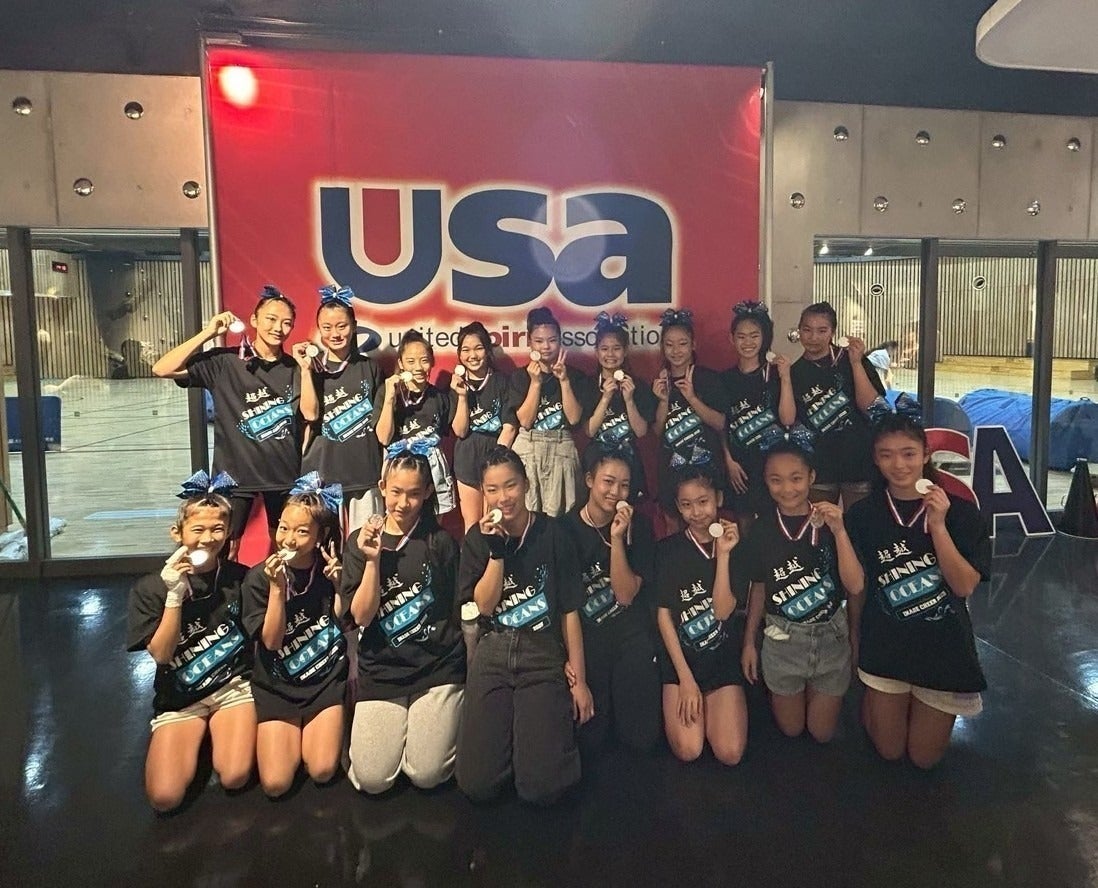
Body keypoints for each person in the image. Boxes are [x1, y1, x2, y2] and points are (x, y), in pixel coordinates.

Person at [846, 406, 990, 769]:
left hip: (943, 649)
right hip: (885, 644)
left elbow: (963, 585)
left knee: (924, 759)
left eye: (908, 453)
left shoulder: (961, 513)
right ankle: (878, 702)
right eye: (886, 455)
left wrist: (938, 526)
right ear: (875, 460)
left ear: (926, 455)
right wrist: (855, 636)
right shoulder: (862, 515)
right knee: (889, 750)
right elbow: (858, 587)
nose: (899, 465)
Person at [455, 446, 592, 804]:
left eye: (511, 485)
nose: (503, 497)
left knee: (543, 788)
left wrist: (580, 680)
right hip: (493, 648)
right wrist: (496, 552)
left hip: (542, 650)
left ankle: (534, 746)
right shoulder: (476, 540)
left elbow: (570, 611)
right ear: (483, 493)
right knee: (476, 784)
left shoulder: (554, 534)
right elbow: (484, 606)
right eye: (492, 489)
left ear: (527, 484)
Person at [151, 286, 318, 556]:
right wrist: (209, 333)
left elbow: (310, 414)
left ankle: (278, 585)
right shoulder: (225, 362)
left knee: (287, 549)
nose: (278, 328)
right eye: (271, 319)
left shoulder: (294, 367)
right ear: (254, 320)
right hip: (234, 477)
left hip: (283, 475)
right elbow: (162, 368)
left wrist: (306, 369)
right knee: (225, 549)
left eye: (287, 323)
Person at [126, 470, 254, 812]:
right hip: (181, 696)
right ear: (178, 532)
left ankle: (222, 734)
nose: (208, 538)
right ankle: (198, 734)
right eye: (198, 529)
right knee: (165, 798)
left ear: (228, 531)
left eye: (217, 529)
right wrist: (174, 596)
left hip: (233, 687)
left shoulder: (240, 578)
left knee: (235, 775)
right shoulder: (150, 588)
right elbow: (162, 654)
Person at [342, 449, 465, 794]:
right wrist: (372, 560)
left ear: (427, 492)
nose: (403, 503)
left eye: (413, 493)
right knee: (372, 780)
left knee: (426, 774)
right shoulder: (360, 541)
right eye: (396, 491)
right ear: (382, 487)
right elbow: (361, 616)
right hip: (382, 669)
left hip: (437, 667)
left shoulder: (441, 542)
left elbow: (454, 609)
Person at [739, 439, 864, 743]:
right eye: (776, 480)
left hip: (831, 638)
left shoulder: (833, 522)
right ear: (765, 481)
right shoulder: (761, 529)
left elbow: (855, 585)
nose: (787, 489)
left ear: (811, 477)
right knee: (792, 729)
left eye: (796, 478)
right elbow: (758, 588)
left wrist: (840, 531)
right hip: (782, 641)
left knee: (821, 734)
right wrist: (749, 643)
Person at [242, 473, 348, 797]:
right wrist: (277, 590)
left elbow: (344, 621)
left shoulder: (330, 569)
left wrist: (340, 585)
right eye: (283, 528)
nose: (288, 539)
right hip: (277, 685)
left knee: (322, 769)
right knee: (276, 784)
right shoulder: (259, 578)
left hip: (324, 680)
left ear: (320, 536)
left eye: (302, 531)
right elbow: (272, 642)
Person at [562, 448, 661, 757]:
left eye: (624, 485)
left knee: (640, 739)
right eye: (608, 481)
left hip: (631, 634)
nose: (616, 492)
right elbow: (565, 607)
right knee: (591, 740)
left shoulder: (638, 526)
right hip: (590, 640)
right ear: (589, 480)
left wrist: (617, 539)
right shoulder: (564, 529)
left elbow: (625, 595)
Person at [654, 467, 747, 766]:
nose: (696, 512)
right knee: (689, 749)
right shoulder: (667, 551)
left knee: (730, 753)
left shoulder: (735, 545)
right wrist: (685, 679)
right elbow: (664, 618)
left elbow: (722, 611)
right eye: (686, 504)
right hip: (682, 661)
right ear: (678, 507)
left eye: (703, 501)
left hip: (721, 659)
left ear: (718, 498)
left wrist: (725, 556)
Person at [300, 285, 386, 533]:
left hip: (364, 472)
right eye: (327, 327)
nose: (335, 334)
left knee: (366, 541)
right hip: (322, 475)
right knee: (324, 543)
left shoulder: (371, 368)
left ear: (354, 326)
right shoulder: (311, 368)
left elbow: (381, 423)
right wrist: (305, 371)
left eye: (342, 326)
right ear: (319, 329)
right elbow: (309, 414)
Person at [790, 301, 884, 510]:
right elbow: (791, 420)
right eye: (807, 330)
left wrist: (856, 363)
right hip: (820, 467)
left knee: (859, 524)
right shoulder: (793, 373)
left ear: (833, 332)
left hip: (859, 461)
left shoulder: (852, 359)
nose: (813, 337)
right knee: (819, 523)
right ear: (799, 331)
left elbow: (871, 407)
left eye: (822, 330)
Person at [507, 307, 592, 517]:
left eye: (552, 340)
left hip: (562, 447)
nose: (546, 346)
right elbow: (525, 421)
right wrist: (535, 383)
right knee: (527, 514)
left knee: (563, 518)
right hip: (529, 447)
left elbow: (574, 419)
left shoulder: (576, 376)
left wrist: (564, 381)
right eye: (539, 341)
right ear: (529, 342)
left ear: (560, 341)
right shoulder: (519, 377)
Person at [721, 301, 796, 529]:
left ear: (764, 338)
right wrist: (728, 460)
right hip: (739, 466)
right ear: (731, 338)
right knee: (743, 523)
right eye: (741, 336)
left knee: (775, 523)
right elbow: (721, 425)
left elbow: (788, 419)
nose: (748, 342)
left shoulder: (774, 374)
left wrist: (785, 378)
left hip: (772, 464)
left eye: (754, 336)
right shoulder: (725, 379)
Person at [652, 308, 730, 529]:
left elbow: (720, 423)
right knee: (673, 529)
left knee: (709, 526)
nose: (676, 350)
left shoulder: (709, 379)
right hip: (671, 469)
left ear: (693, 345)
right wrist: (663, 401)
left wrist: (692, 398)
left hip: (706, 468)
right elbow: (657, 432)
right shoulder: (660, 382)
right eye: (669, 344)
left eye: (682, 343)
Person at [375, 330, 457, 515]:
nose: (418, 367)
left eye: (424, 360)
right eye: (411, 361)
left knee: (433, 524)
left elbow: (457, 431)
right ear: (401, 363)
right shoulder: (387, 392)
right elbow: (384, 438)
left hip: (432, 471)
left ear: (432, 362)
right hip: (399, 471)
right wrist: (390, 398)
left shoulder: (439, 397)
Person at [582, 312, 657, 502]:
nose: (610, 354)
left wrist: (629, 400)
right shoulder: (588, 385)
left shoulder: (638, 386)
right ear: (596, 352)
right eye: (604, 349)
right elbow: (589, 431)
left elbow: (641, 432)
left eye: (616, 348)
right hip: (597, 460)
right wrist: (605, 398)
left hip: (629, 461)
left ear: (625, 351)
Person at [451, 321, 517, 530]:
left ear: (487, 351)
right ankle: (472, 553)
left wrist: (496, 463)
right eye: (466, 350)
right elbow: (460, 431)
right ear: (459, 354)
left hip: (494, 453)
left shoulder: (502, 382)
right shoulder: (456, 384)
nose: (472, 355)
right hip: (466, 457)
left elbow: (510, 427)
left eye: (478, 348)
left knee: (495, 522)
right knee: (472, 524)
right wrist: (462, 397)